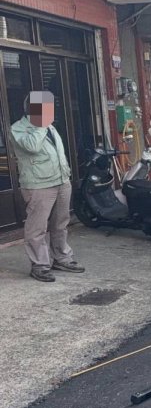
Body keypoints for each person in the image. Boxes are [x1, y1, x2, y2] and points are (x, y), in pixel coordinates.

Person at [11, 91, 84, 282]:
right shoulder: (19, 129)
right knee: (37, 227)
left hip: (61, 181)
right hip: (38, 185)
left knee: (60, 223)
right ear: (31, 109)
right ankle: (40, 265)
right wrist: (40, 124)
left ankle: (62, 257)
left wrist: (66, 174)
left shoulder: (49, 127)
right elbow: (33, 147)